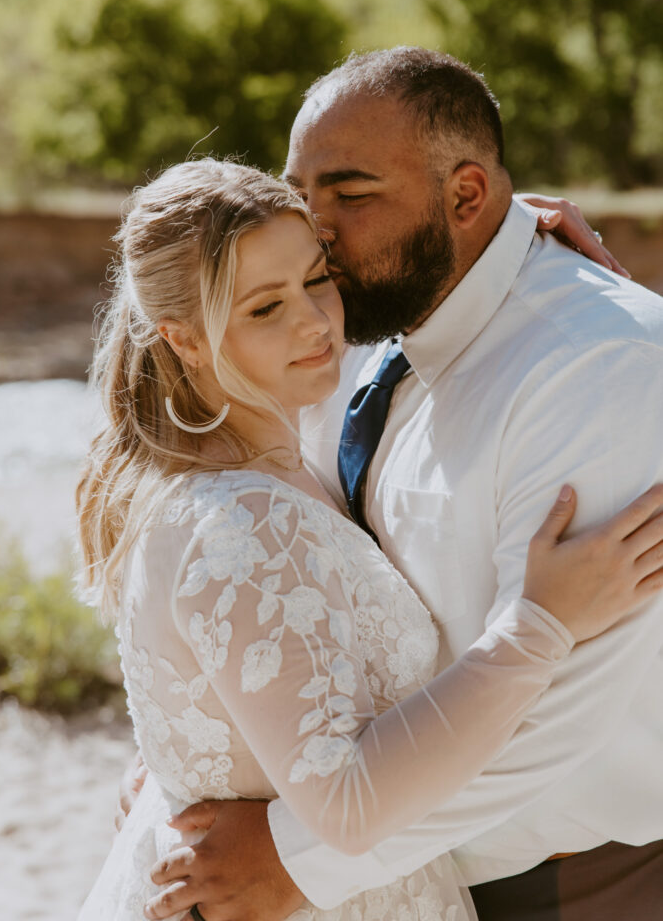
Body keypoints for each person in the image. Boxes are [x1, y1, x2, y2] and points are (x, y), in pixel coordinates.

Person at [142, 49, 663, 921]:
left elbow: (571, 704)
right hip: (393, 873)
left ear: (465, 197)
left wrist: (295, 865)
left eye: (350, 194)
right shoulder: (354, 329)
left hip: (560, 886)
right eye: (301, 194)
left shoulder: (595, 366)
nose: (315, 227)